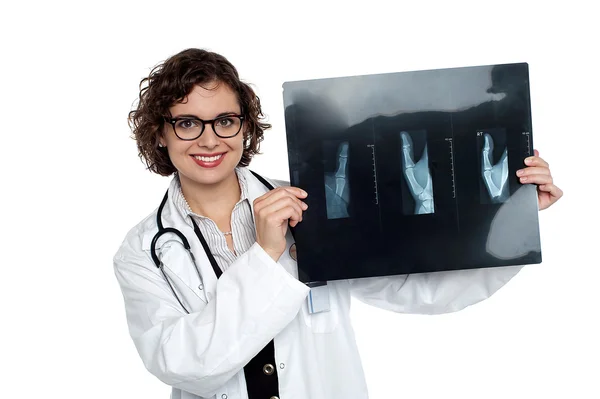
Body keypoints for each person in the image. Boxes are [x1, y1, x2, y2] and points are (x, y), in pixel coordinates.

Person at [113, 48, 563, 399]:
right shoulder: (142, 251)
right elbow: (185, 363)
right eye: (188, 122)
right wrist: (268, 255)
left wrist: (514, 216)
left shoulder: (314, 201)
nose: (209, 139)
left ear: (246, 127)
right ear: (159, 131)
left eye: (226, 120)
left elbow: (421, 291)